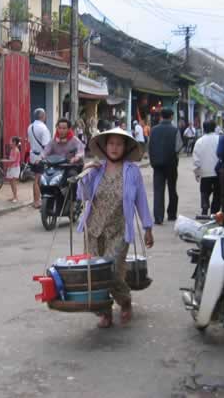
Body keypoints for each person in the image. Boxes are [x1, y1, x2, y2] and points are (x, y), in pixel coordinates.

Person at [78, 128, 154, 328]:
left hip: (119, 230)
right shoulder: (97, 169)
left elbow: (141, 201)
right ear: (104, 146)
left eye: (119, 144)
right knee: (93, 272)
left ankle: (124, 300)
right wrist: (86, 172)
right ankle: (104, 311)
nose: (114, 148)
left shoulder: (132, 171)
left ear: (126, 147)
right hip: (94, 229)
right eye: (111, 143)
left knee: (111, 271)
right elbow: (83, 195)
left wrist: (148, 227)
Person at [148, 108, 183, 224]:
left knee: (158, 190)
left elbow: (150, 146)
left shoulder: (153, 130)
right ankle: (171, 214)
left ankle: (158, 217)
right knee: (172, 189)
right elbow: (178, 147)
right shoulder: (175, 130)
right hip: (171, 164)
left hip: (157, 164)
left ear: (161, 117)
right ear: (171, 116)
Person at [193, 120, 221, 216]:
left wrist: (197, 172)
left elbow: (196, 159)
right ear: (214, 128)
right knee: (217, 192)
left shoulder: (199, 141)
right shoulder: (220, 139)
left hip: (205, 172)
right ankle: (215, 211)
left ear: (203, 129)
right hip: (218, 172)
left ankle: (205, 207)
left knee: (204, 191)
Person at [27, 109, 52, 209]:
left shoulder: (30, 126)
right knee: (37, 179)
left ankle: (37, 199)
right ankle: (37, 201)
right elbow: (46, 146)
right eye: (45, 115)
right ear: (43, 116)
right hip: (40, 157)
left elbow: (30, 141)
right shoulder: (43, 128)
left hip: (33, 155)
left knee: (38, 178)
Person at [4, 137, 22, 203]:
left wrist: (5, 161)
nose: (10, 143)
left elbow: (13, 160)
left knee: (13, 183)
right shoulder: (12, 150)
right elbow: (11, 159)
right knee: (11, 183)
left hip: (15, 168)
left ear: (14, 142)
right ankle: (14, 196)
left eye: (11, 141)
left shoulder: (16, 150)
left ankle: (16, 197)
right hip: (11, 167)